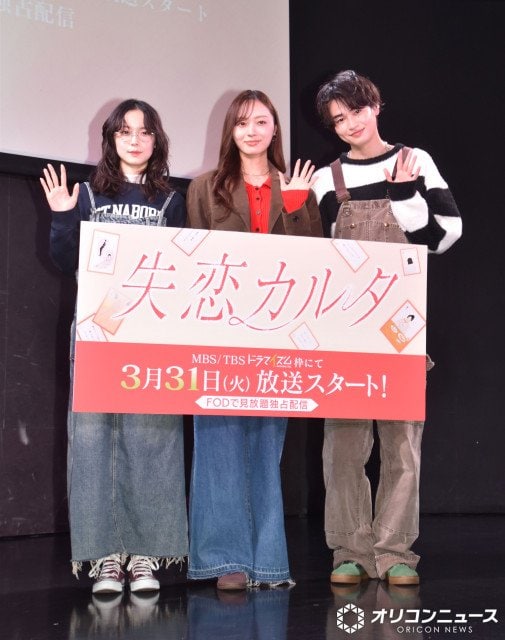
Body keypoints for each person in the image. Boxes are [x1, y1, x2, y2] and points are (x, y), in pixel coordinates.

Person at [312, 70, 462, 586]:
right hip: (344, 326)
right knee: (343, 447)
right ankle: (349, 550)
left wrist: (404, 197)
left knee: (402, 445)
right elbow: (314, 258)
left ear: (375, 106)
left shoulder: (414, 161)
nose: (350, 124)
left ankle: (395, 551)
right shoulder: (326, 179)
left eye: (356, 111)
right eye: (338, 119)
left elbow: (445, 237)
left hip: (401, 325)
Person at [40, 99, 188, 594]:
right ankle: (105, 557)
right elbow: (65, 261)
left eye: (144, 131)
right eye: (125, 131)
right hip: (96, 334)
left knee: (153, 439)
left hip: (151, 337)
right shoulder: (86, 194)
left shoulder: (172, 201)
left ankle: (144, 555)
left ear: (157, 140)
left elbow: (182, 270)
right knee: (93, 439)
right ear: (111, 139)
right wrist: (63, 216)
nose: (135, 140)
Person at [186, 89, 322, 590]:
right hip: (219, 329)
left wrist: (297, 206)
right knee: (218, 439)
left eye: (261, 121)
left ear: (274, 129)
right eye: (241, 122)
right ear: (231, 130)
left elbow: (314, 263)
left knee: (267, 443)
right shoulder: (204, 188)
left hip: (276, 332)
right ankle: (225, 561)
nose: (251, 131)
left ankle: (267, 562)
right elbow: (193, 261)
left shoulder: (296, 186)